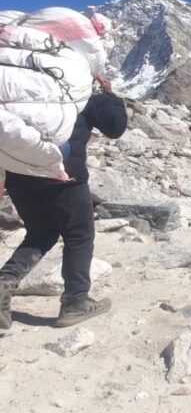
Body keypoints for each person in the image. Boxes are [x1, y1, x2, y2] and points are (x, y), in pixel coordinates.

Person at [0, 74, 127, 329]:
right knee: (79, 235)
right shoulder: (77, 89)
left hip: (20, 173)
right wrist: (109, 95)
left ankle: (5, 281)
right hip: (64, 175)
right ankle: (75, 302)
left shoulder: (16, 86)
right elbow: (115, 127)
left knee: (40, 233)